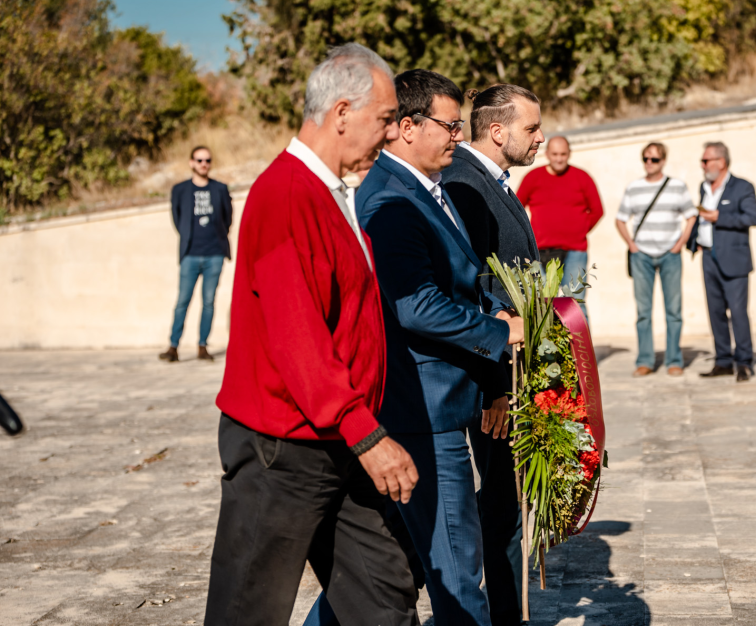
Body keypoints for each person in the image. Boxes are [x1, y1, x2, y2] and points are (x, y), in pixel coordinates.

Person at [204, 44, 421, 626]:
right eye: (385, 118)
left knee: (383, 593)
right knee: (246, 610)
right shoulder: (286, 194)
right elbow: (295, 335)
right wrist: (367, 433)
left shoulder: (333, 192)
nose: (392, 134)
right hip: (283, 447)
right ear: (343, 112)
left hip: (339, 438)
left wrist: (361, 428)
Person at [355, 69, 525, 626]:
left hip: (434, 406)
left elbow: (456, 286)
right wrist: (499, 333)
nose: (459, 135)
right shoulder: (390, 198)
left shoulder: (427, 189)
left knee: (384, 574)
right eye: (450, 125)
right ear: (406, 126)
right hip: (425, 413)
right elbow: (416, 305)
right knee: (456, 577)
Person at [441, 83, 544, 626]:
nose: (541, 138)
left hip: (507, 369)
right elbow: (472, 291)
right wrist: (495, 387)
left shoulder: (491, 182)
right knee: (496, 507)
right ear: (498, 131)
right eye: (532, 128)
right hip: (489, 380)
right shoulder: (465, 184)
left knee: (504, 503)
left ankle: (507, 612)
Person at [615, 142, 697, 377]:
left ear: (663, 161)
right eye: (646, 158)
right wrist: (632, 246)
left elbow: (691, 216)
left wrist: (679, 245)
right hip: (642, 257)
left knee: (674, 310)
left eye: (655, 159)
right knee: (643, 311)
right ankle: (645, 361)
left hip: (670, 256)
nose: (649, 163)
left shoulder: (677, 186)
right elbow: (621, 219)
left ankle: (674, 360)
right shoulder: (634, 188)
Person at [690, 142, 756, 382]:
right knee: (715, 311)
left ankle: (744, 362)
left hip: (735, 260)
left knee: (738, 312)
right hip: (709, 257)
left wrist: (720, 216)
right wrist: (696, 240)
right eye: (702, 160)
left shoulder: (742, 187)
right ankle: (723, 361)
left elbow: (752, 217)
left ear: (721, 162)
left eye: (706, 160)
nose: (702, 165)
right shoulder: (704, 187)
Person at [517, 135, 603, 321]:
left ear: (569, 154)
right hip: (539, 252)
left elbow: (597, 210)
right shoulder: (533, 177)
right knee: (542, 304)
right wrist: (528, 240)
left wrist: (579, 231)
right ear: (547, 154)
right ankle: (547, 350)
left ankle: (580, 350)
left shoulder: (582, 177)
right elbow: (517, 210)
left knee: (575, 303)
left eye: (563, 154)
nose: (559, 158)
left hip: (574, 251)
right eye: (555, 154)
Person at [159, 146, 232, 363]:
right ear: (191, 162)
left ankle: (202, 346)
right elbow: (177, 218)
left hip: (214, 255)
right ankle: (173, 346)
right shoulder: (180, 190)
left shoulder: (220, 189)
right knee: (183, 301)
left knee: (208, 301)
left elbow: (227, 219)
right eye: (199, 160)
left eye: (207, 160)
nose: (204, 164)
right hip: (190, 254)